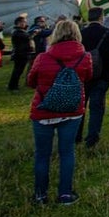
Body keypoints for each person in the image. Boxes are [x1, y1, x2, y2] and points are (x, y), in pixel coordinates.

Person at [27, 18, 93, 205]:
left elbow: (31, 81)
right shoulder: (85, 57)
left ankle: (40, 195)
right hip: (72, 111)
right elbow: (87, 77)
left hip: (44, 111)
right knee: (67, 152)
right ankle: (65, 194)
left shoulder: (43, 57)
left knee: (42, 154)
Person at [76, 7, 109, 149]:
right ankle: (92, 138)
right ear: (101, 17)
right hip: (102, 75)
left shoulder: (80, 33)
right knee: (97, 107)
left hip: (83, 75)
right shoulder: (108, 33)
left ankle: (76, 135)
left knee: (80, 107)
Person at [7, 14, 33, 90]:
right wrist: (33, 34)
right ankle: (13, 86)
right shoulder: (17, 31)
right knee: (17, 71)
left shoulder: (20, 31)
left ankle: (14, 85)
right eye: (23, 22)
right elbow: (26, 37)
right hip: (20, 54)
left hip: (22, 53)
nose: (25, 23)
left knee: (19, 71)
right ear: (19, 22)